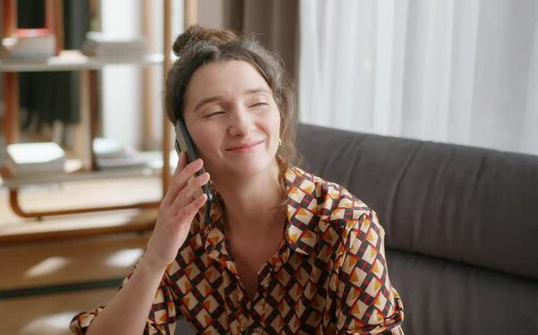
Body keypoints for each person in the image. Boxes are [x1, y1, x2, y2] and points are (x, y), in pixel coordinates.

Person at [70, 26, 405, 334]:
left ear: (279, 114)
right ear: (183, 139)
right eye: (215, 112)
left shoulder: (348, 227)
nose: (243, 126)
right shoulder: (190, 228)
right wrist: (155, 259)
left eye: (258, 103)